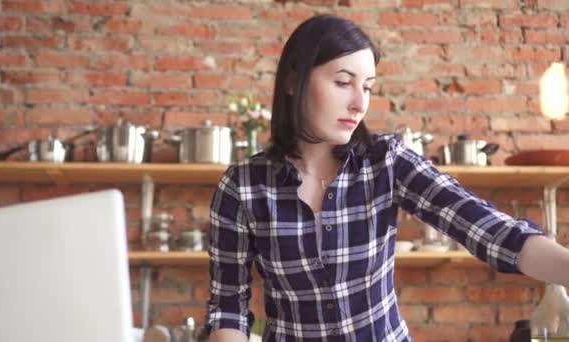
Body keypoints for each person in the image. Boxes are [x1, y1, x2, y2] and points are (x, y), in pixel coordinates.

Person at [205, 14, 569, 342]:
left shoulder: (386, 162)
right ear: (292, 83)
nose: (359, 103)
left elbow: (489, 231)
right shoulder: (242, 187)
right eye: (343, 82)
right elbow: (228, 307)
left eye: (367, 87)